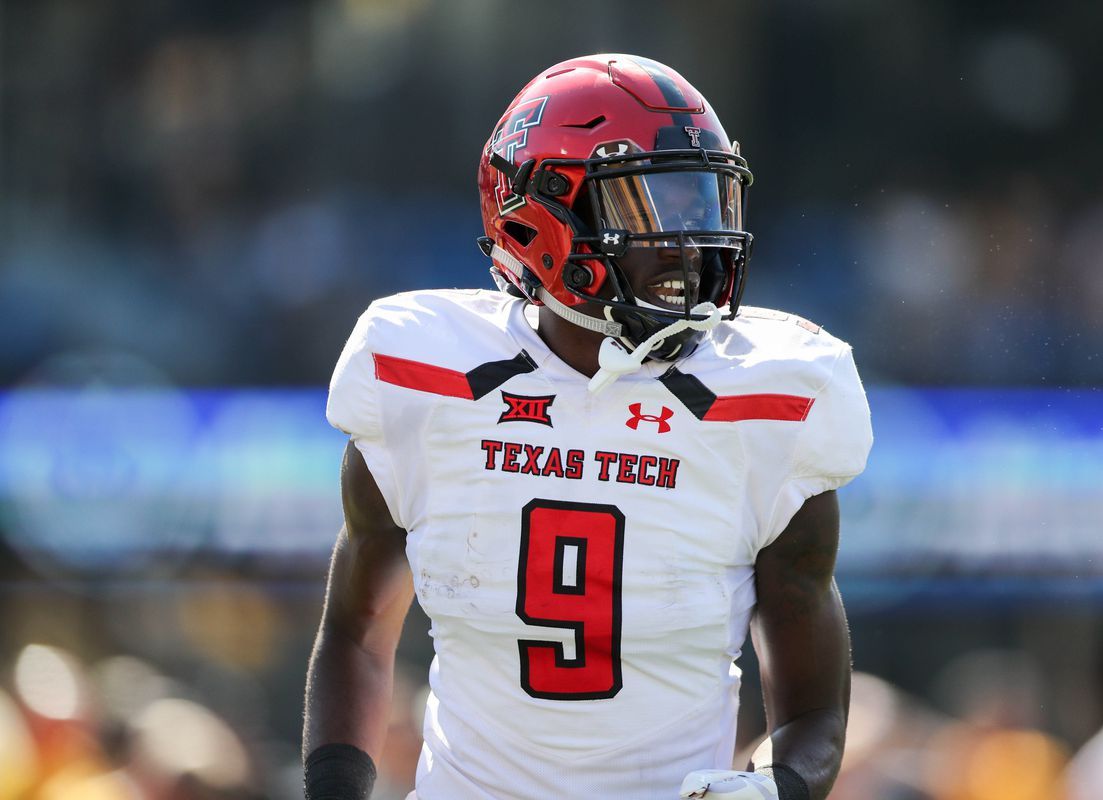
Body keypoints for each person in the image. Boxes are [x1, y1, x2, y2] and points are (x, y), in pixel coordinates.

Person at [303, 53, 872, 800]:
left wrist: (777, 788)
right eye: (652, 207)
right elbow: (354, 631)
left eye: (703, 201)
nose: (688, 240)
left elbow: (813, 707)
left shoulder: (769, 400)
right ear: (540, 218)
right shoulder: (425, 377)